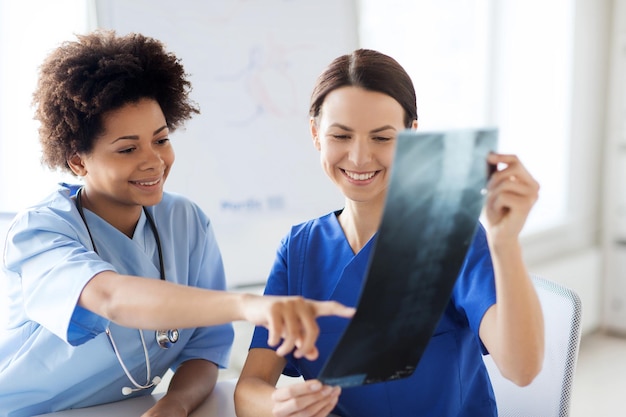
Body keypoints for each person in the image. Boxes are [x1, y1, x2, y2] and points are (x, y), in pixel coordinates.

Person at [0, 30, 354, 417]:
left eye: (161, 140)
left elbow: (204, 349)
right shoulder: (39, 232)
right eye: (128, 149)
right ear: (78, 161)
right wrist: (248, 305)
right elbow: (110, 299)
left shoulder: (186, 222)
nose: (154, 161)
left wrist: (176, 402)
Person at [234, 48, 545, 417]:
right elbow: (248, 390)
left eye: (382, 138)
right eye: (341, 136)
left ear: (411, 136)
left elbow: (522, 369)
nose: (360, 158)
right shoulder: (300, 250)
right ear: (316, 133)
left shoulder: (450, 235)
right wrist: (278, 407)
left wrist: (505, 241)